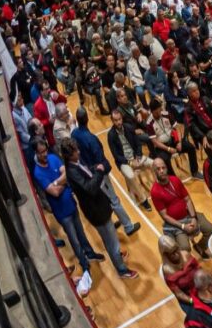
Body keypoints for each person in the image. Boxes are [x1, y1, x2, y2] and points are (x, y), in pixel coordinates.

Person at [61, 137, 139, 280]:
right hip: (97, 211)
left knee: (110, 237)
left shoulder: (74, 164)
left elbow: (86, 172)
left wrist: (94, 169)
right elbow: (90, 188)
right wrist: (99, 172)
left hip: (99, 206)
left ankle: (117, 257)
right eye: (75, 151)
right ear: (69, 155)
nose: (78, 152)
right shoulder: (72, 171)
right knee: (112, 241)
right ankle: (122, 269)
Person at [32, 138, 102, 293]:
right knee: (74, 241)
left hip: (71, 203)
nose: (44, 155)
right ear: (35, 153)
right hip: (61, 212)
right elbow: (54, 192)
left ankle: (91, 254)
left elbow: (65, 176)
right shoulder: (37, 172)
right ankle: (85, 265)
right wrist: (61, 182)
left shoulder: (53, 157)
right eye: (41, 153)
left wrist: (57, 183)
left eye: (45, 151)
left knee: (81, 234)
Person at [71, 107, 141, 235]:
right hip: (99, 175)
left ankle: (111, 221)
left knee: (104, 199)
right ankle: (128, 226)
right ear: (87, 119)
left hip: (87, 174)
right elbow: (100, 159)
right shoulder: (91, 139)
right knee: (114, 200)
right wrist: (107, 168)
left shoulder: (74, 134)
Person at [150, 158, 212, 256]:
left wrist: (193, 218)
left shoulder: (175, 180)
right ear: (154, 171)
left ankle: (201, 245)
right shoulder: (155, 191)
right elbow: (165, 216)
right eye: (158, 169)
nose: (161, 171)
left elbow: (188, 200)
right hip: (176, 224)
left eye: (163, 168)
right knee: (185, 248)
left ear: (166, 168)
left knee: (211, 229)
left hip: (189, 216)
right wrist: (182, 226)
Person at [106, 108, 154, 211]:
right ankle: (143, 200)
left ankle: (159, 187)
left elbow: (138, 143)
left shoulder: (129, 127)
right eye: (115, 120)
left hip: (136, 157)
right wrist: (129, 162)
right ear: (112, 121)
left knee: (153, 163)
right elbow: (116, 155)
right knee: (131, 176)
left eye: (119, 119)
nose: (118, 122)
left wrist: (138, 155)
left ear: (122, 119)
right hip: (124, 162)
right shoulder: (111, 135)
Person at [159, 234, 200, 313]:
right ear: (166, 256)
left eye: (176, 250)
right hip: (187, 296)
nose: (177, 254)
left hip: (200, 286)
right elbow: (178, 293)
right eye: (172, 253)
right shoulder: (167, 270)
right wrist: (193, 301)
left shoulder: (186, 254)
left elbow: (199, 270)